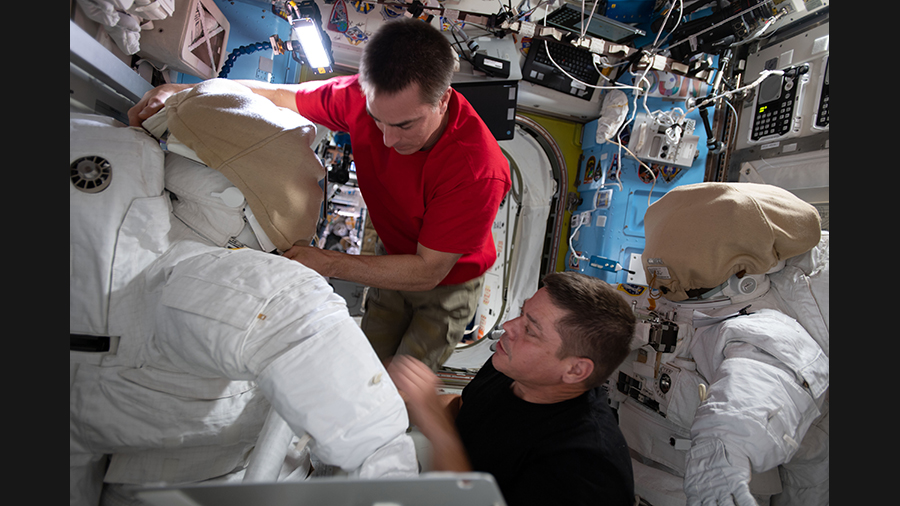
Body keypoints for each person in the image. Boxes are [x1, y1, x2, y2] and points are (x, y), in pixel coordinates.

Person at [71, 80, 417, 506]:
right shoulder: (250, 286)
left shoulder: (98, 157)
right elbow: (373, 442)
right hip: (186, 472)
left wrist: (184, 96)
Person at [128, 18, 512, 370]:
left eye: (404, 125)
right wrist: (185, 92)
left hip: (447, 282)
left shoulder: (477, 169)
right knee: (360, 367)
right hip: (394, 255)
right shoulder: (359, 99)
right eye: (377, 120)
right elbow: (279, 95)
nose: (388, 139)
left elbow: (430, 270)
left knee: (399, 389)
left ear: (443, 99)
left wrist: (327, 262)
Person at [609, 182, 828, 506]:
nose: (670, 283)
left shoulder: (757, 327)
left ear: (744, 269)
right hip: (626, 469)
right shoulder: (655, 302)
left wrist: (723, 449)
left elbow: (756, 389)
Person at [388, 271, 637, 506]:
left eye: (530, 330)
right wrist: (406, 405)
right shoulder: (509, 369)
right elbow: (467, 408)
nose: (508, 326)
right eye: (521, 312)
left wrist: (438, 430)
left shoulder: (585, 466)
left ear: (575, 370)